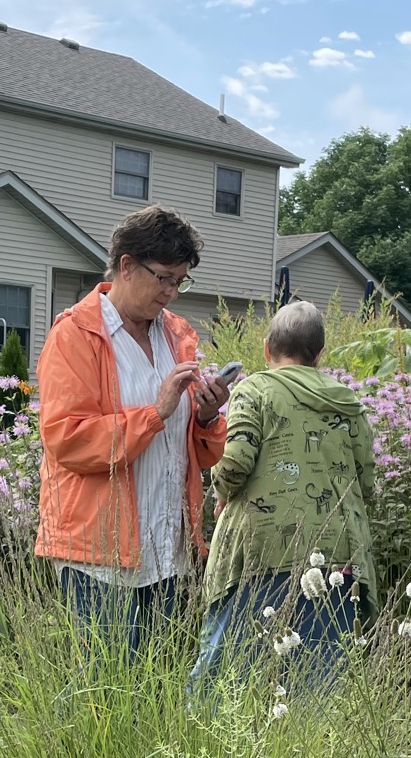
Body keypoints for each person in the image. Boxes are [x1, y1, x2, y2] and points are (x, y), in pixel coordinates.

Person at [34, 205, 229, 652]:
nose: (172, 292)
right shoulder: (73, 336)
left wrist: (205, 417)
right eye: (163, 277)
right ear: (126, 265)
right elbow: (68, 440)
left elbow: (198, 454)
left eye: (180, 280)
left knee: (154, 683)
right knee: (104, 683)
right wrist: (155, 412)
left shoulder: (175, 335)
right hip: (98, 556)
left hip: (167, 551)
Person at [192, 300, 374, 689]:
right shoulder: (349, 402)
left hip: (263, 549)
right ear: (319, 355)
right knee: (321, 679)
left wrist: (222, 489)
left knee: (229, 675)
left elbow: (235, 462)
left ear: (265, 348)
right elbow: (366, 480)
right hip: (336, 555)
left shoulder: (254, 390)